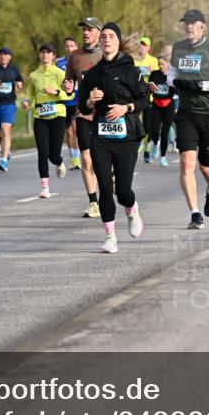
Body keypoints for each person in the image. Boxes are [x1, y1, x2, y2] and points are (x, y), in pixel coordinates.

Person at [77, 23, 148, 253]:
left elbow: (144, 99)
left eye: (111, 36)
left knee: (123, 190)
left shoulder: (131, 70)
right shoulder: (92, 74)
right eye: (104, 36)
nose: (107, 39)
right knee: (105, 188)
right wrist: (90, 100)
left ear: (118, 41)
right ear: (100, 42)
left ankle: (132, 209)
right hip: (101, 137)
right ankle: (110, 237)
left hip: (127, 136)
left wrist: (125, 108)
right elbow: (82, 108)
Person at [170, 9, 209, 229]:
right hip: (186, 113)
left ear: (202, 27)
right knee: (187, 163)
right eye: (186, 23)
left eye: (193, 23)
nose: (189, 27)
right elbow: (171, 73)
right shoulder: (178, 48)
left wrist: (202, 86)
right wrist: (175, 82)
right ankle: (195, 214)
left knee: (207, 169)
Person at [64, 17, 105, 218]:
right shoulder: (75, 56)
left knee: (103, 159)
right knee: (86, 159)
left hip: (107, 114)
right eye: (84, 30)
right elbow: (69, 81)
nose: (86, 33)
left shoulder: (107, 53)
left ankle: (110, 180)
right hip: (84, 112)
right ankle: (93, 202)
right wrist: (68, 87)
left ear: (99, 32)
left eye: (90, 29)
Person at [27, 42, 70, 197]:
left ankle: (58, 161)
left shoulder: (60, 73)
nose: (45, 55)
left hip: (58, 115)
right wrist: (26, 102)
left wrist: (56, 91)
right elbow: (30, 94)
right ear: (39, 55)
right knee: (43, 152)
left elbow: (69, 94)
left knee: (53, 154)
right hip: (40, 116)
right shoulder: (33, 75)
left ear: (53, 56)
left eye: (48, 52)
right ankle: (45, 187)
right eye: (43, 52)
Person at [133, 35, 160, 163]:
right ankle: (138, 143)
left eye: (144, 45)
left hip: (149, 97)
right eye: (140, 44)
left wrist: (152, 72)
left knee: (147, 126)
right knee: (135, 122)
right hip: (136, 96)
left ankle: (147, 148)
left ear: (148, 47)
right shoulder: (133, 60)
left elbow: (158, 79)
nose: (141, 47)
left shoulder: (153, 61)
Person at [147, 54, 177, 167]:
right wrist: (151, 88)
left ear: (168, 64)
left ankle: (163, 157)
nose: (160, 66)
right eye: (159, 64)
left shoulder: (172, 76)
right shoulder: (154, 74)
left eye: (162, 64)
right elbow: (149, 90)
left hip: (168, 105)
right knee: (154, 131)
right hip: (156, 104)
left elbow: (177, 92)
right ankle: (155, 143)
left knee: (165, 132)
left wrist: (171, 85)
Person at [57, 37, 81, 169]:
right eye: (67, 46)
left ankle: (77, 158)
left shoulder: (81, 60)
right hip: (64, 101)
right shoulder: (59, 63)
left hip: (77, 99)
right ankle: (72, 156)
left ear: (76, 47)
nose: (69, 48)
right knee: (69, 131)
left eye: (72, 45)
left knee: (75, 128)